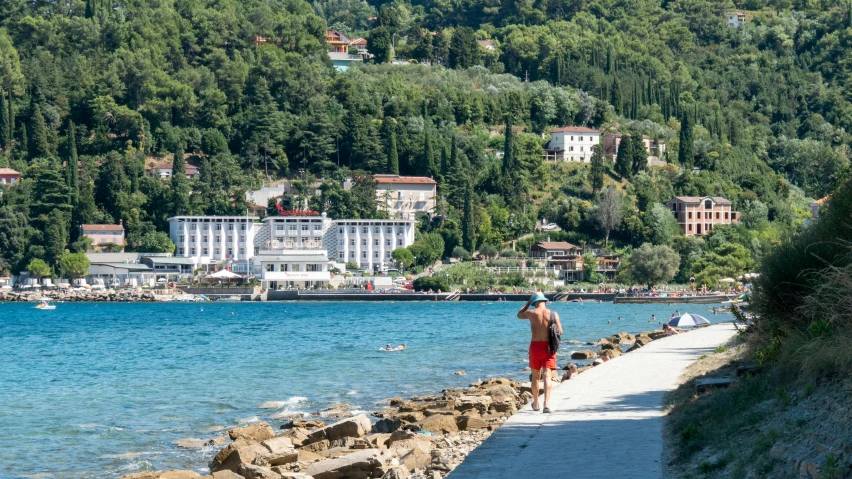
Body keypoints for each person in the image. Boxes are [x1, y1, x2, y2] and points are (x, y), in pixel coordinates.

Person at [517, 292, 563, 414]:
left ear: (535, 302)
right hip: (549, 347)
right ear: (545, 301)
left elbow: (519, 314)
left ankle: (536, 404)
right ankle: (546, 404)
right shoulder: (553, 314)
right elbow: (560, 331)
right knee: (547, 376)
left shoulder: (531, 313)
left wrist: (527, 303)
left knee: (535, 377)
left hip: (535, 346)